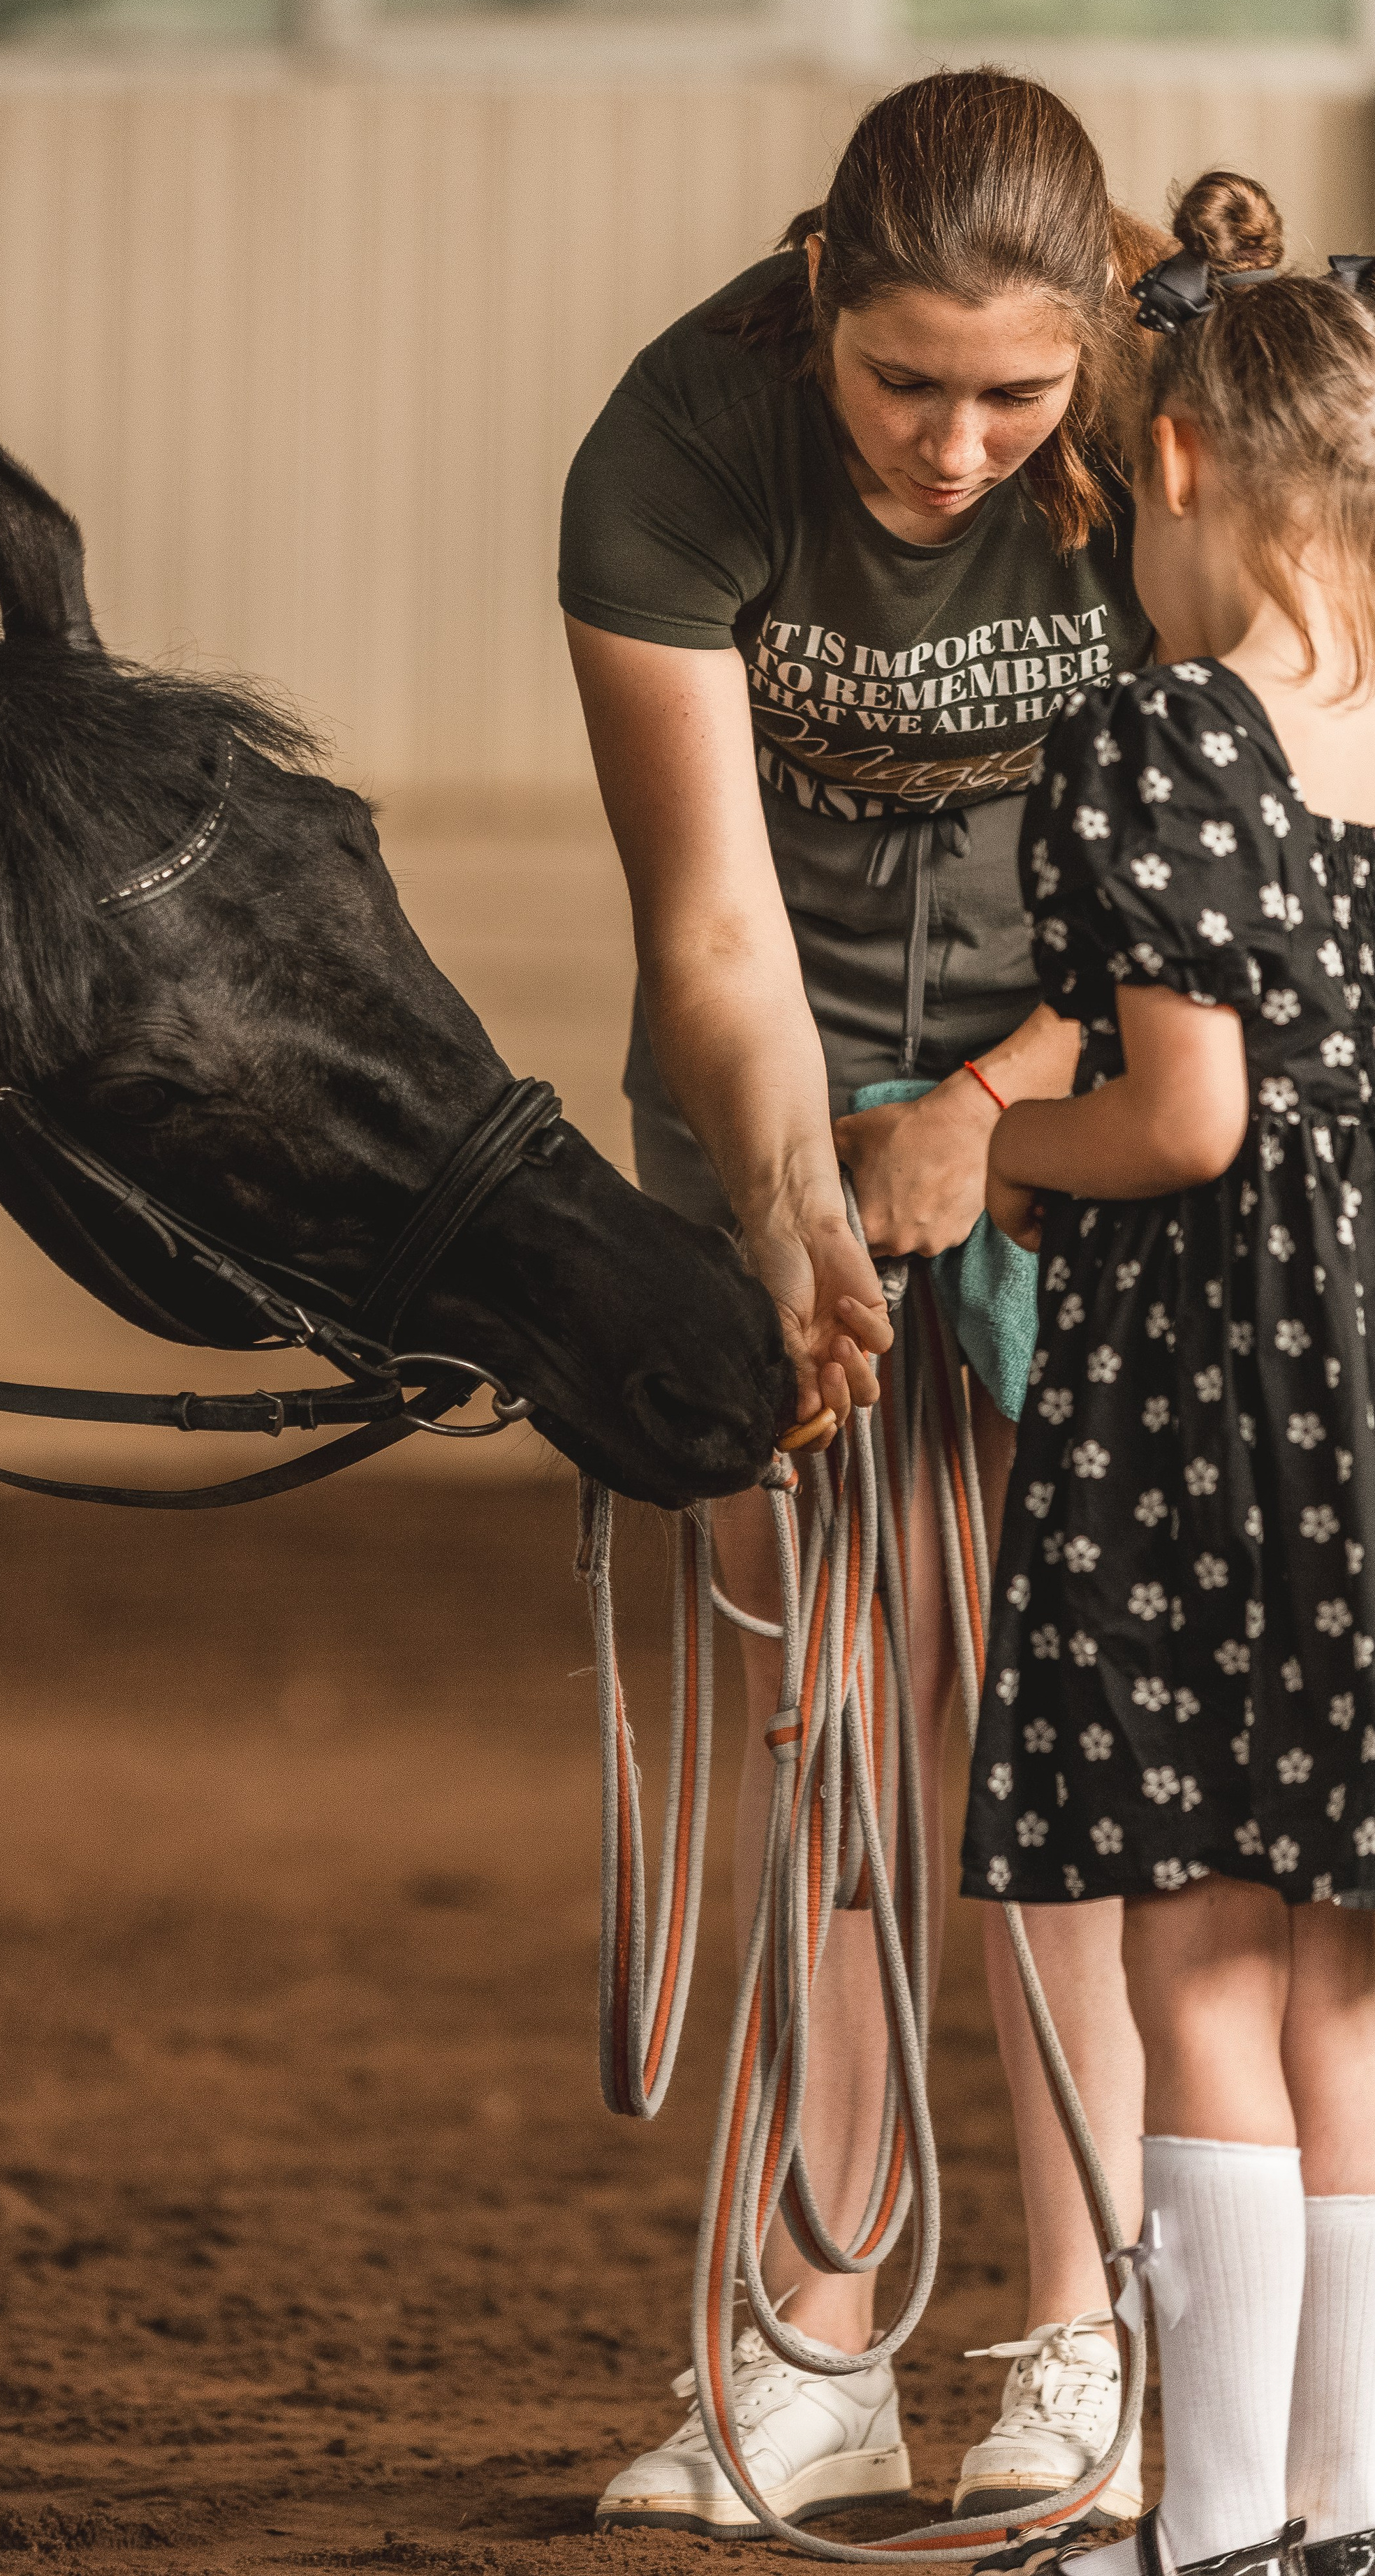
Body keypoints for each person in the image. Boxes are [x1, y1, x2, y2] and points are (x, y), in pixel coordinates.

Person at [561, 67, 1156, 2542]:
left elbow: (1225, 866)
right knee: (836, 1712)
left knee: (1066, 1711)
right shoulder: (676, 446)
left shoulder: (1171, 435)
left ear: (1098, 340)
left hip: (1096, 1105)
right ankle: (815, 2338)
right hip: (775, 1093)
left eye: (1015, 394)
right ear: (819, 303)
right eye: (903, 380)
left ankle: (1093, 2334)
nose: (952, 443)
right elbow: (710, 925)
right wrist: (802, 1197)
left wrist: (991, 1115)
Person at [967, 171, 1375, 2576]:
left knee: (1198, 1945)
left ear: (1191, 468)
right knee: (1348, 1977)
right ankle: (1344, 2508)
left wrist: (1015, 1141)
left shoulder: (1166, 739)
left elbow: (1192, 1116)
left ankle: (1205, 2526)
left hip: (1221, 1400)